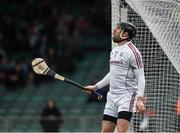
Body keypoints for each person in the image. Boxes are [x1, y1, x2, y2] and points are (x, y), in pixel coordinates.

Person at [85, 21, 146, 132]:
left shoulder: (133, 52)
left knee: (122, 130)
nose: (114, 30)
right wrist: (96, 87)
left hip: (126, 97)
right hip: (112, 97)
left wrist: (140, 99)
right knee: (106, 130)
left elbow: (140, 77)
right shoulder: (114, 51)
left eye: (117, 28)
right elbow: (112, 74)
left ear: (125, 34)